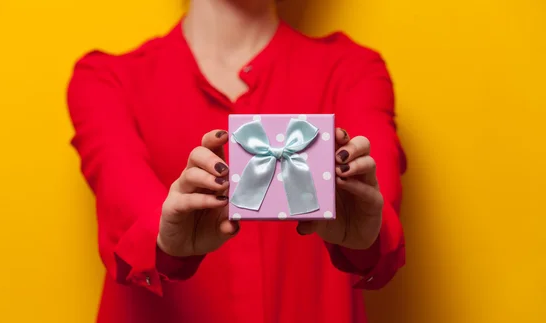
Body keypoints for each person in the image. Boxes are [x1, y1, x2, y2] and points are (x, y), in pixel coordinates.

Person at [66, 0, 407, 322]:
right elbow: (124, 204)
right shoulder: (105, 80)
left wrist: (370, 236)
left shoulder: (355, 71)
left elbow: (380, 205)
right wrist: (164, 239)